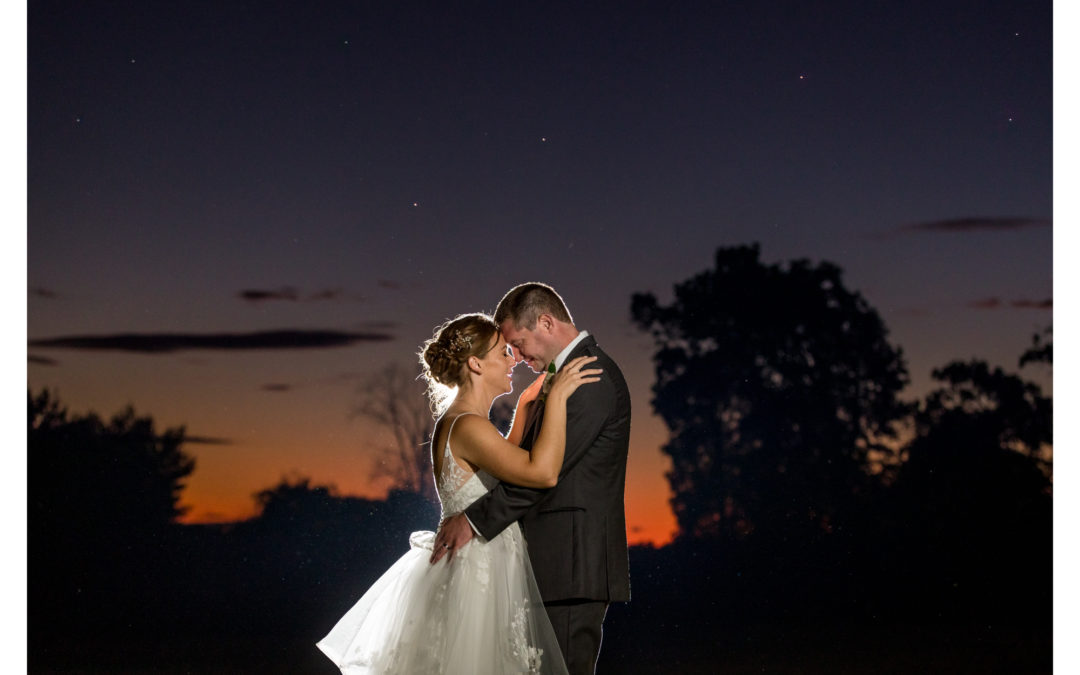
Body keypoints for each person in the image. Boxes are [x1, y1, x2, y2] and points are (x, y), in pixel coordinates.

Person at [317, 312, 601, 674]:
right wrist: (558, 399)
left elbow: (498, 465)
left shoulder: (461, 422)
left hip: (482, 560)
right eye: (502, 353)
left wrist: (526, 409)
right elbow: (541, 473)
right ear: (475, 364)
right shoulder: (468, 426)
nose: (512, 359)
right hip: (480, 566)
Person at [431, 283, 632, 675]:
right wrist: (534, 405)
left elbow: (544, 475)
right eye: (507, 351)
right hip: (539, 566)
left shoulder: (590, 376)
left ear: (545, 321)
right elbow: (523, 463)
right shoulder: (555, 384)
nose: (517, 359)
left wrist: (472, 521)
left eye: (519, 345)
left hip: (570, 565)